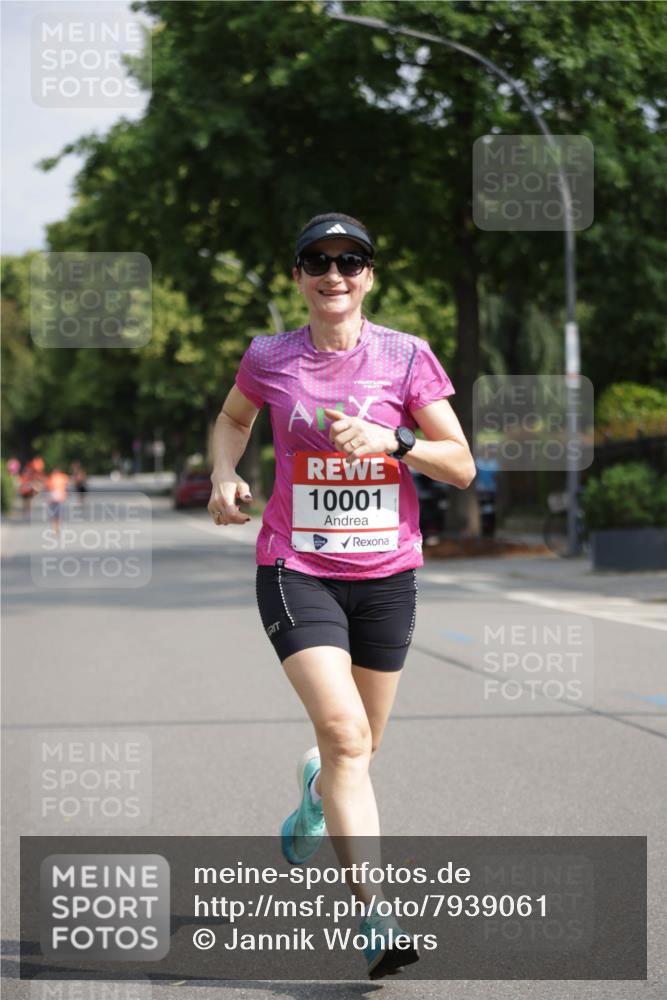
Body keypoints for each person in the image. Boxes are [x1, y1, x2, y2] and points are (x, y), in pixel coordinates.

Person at [207, 212, 476, 980]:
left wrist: (395, 442)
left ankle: (312, 795)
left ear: (369, 274)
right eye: (317, 261)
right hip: (298, 565)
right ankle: (375, 917)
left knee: (360, 747)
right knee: (345, 735)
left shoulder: (405, 357)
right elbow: (233, 419)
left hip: (387, 575)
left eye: (349, 261)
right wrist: (226, 474)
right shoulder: (269, 357)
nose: (334, 275)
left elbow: (458, 466)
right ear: (297, 275)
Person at [45, 465, 70, 536]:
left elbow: (66, 485)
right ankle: (55, 529)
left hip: (59, 499)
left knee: (57, 515)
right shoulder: (51, 478)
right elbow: (48, 488)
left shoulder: (62, 477)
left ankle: (57, 528)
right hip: (53, 499)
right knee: (54, 515)